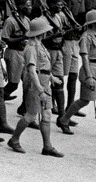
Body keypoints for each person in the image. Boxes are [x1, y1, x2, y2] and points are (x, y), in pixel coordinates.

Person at [6, 17, 63, 157]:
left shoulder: (40, 45)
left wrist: (50, 77)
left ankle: (47, 146)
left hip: (44, 82)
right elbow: (32, 71)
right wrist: (40, 90)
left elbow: (41, 67)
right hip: (36, 85)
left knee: (47, 113)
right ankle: (14, 139)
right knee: (31, 115)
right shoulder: (31, 48)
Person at [58, 9, 96, 140]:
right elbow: (85, 57)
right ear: (94, 23)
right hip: (89, 69)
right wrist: (89, 76)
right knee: (85, 100)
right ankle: (64, 120)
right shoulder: (86, 37)